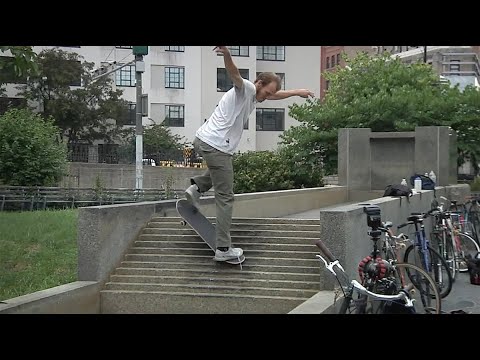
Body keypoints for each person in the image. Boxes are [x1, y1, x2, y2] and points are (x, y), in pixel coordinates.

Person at [185, 46, 314, 262]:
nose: (268, 97)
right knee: (226, 197)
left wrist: (296, 92)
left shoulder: (255, 96)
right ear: (259, 83)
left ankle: (196, 188)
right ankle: (223, 249)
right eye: (267, 92)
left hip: (204, 141)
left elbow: (275, 95)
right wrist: (227, 54)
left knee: (222, 170)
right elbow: (234, 73)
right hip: (216, 146)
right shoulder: (246, 88)